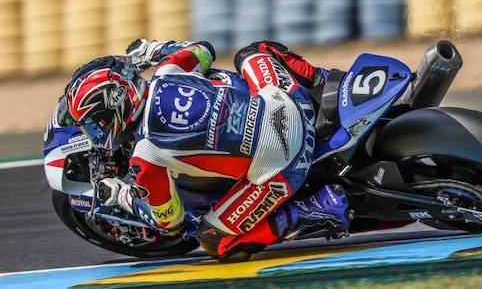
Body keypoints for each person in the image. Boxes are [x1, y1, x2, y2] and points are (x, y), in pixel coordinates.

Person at [65, 39, 351, 262]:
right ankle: (327, 83)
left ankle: (315, 209)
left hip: (284, 166)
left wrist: (121, 194)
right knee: (253, 51)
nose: (97, 134)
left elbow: (169, 222)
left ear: (116, 108)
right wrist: (155, 49)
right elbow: (201, 50)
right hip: (288, 101)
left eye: (97, 125)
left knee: (214, 240)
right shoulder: (167, 72)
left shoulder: (146, 156)